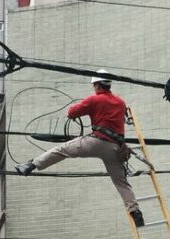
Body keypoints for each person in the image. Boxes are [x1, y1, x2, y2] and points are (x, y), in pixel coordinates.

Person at [14, 69, 144, 227]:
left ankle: (31, 165)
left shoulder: (94, 100)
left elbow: (71, 113)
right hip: (115, 147)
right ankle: (135, 211)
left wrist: (84, 105)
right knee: (121, 182)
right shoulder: (121, 102)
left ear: (97, 85)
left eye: (94, 85)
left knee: (61, 150)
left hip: (96, 142)